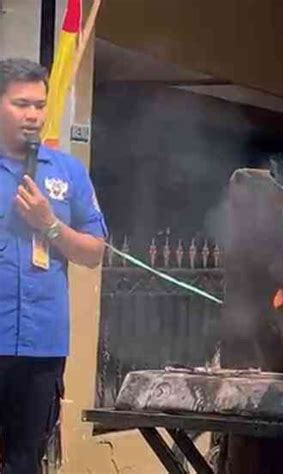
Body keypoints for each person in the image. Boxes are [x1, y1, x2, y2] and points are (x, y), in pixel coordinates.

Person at [0, 58, 107, 473]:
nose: (33, 115)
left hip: (42, 344)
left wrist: (49, 224)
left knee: (26, 461)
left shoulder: (68, 172)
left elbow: (94, 252)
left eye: (40, 105)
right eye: (21, 104)